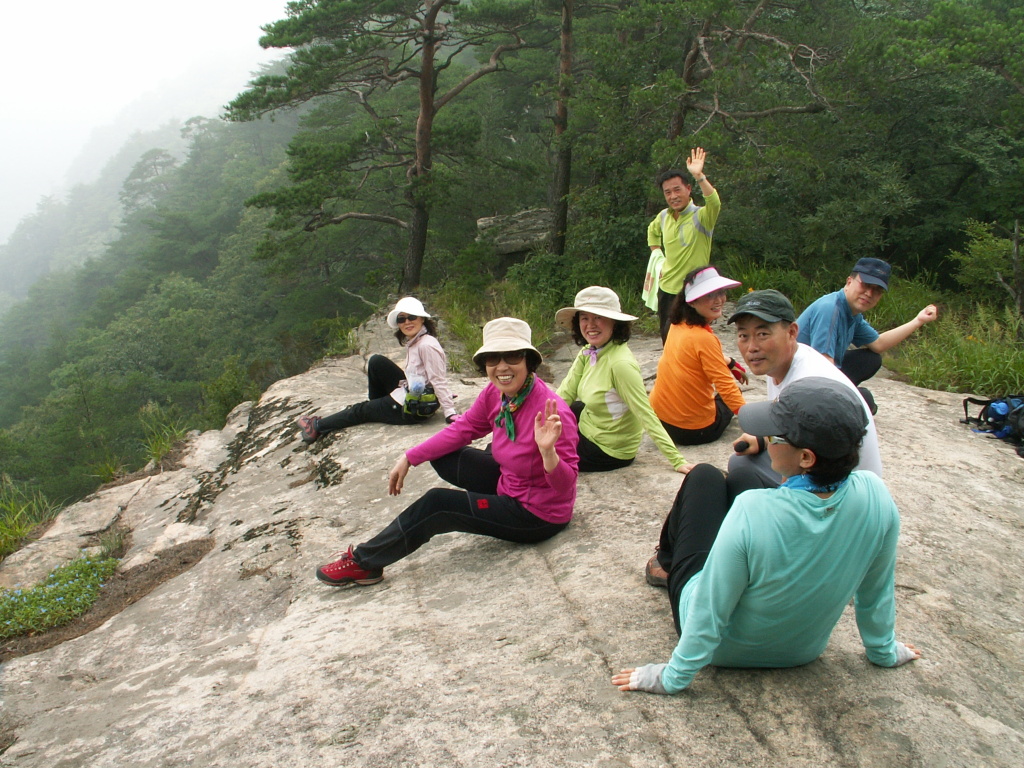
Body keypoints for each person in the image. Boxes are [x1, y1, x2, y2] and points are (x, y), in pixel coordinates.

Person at [612, 377, 921, 695]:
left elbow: (709, 606)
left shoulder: (753, 510)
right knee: (737, 477)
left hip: (723, 649)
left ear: (806, 458)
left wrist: (672, 676)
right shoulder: (876, 496)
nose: (764, 437)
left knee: (705, 477)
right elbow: (876, 590)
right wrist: (884, 651)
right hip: (803, 650)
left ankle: (666, 564)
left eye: (773, 434)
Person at [314, 317, 579, 587]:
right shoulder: (496, 393)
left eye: (512, 356)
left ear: (528, 361)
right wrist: (411, 456)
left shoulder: (551, 413)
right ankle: (487, 503)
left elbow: (565, 486)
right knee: (440, 453)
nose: (501, 367)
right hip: (509, 483)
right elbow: (464, 428)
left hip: (535, 513)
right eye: (492, 359)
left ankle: (363, 563)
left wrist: (548, 454)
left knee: (438, 504)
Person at [726, 289, 882, 488]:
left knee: (741, 472)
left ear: (792, 332)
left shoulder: (808, 384)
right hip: (821, 465)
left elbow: (816, 465)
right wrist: (764, 440)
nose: (752, 347)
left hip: (843, 487)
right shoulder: (781, 362)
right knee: (742, 461)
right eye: (743, 335)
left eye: (762, 334)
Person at [554, 286, 689, 473]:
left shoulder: (620, 364)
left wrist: (677, 460)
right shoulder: (589, 351)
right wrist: (532, 420)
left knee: (543, 451)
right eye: (585, 318)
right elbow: (565, 392)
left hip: (608, 449)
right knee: (564, 411)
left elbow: (644, 412)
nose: (590, 325)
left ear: (614, 322)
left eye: (598, 317)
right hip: (592, 425)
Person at [296, 296, 458, 443]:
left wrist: (449, 411)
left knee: (360, 410)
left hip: (414, 407)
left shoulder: (426, 345)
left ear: (422, 319)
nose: (407, 322)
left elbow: (438, 379)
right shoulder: (417, 341)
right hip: (412, 391)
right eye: (402, 319)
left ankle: (316, 426)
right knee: (376, 362)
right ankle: (377, 407)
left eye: (412, 317)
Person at [796, 257, 938, 403]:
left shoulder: (851, 313)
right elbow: (823, 364)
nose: (869, 293)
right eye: (865, 285)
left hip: (814, 373)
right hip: (799, 379)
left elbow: (878, 344)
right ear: (849, 282)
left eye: (877, 290)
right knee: (864, 400)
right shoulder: (830, 309)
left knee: (870, 360)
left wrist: (918, 320)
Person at [649, 266, 747, 446]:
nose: (719, 300)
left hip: (660, 420)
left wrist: (729, 362)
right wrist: (755, 423)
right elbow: (726, 387)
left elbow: (692, 356)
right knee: (732, 395)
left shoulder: (676, 324)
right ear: (692, 301)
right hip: (692, 431)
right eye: (710, 295)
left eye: (721, 292)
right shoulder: (704, 339)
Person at [645, 148, 722, 343]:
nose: (673, 196)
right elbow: (652, 232)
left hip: (693, 290)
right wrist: (657, 257)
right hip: (667, 289)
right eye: (667, 192)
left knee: (692, 338)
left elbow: (714, 202)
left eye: (677, 190)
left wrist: (699, 176)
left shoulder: (702, 216)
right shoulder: (663, 216)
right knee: (668, 337)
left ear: (688, 189)